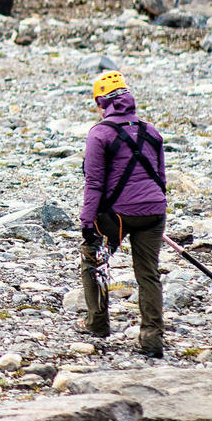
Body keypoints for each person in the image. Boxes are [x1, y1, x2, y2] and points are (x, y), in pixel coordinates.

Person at [80, 69, 169, 357]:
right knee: (148, 274)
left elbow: (94, 183)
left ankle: (97, 324)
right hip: (154, 211)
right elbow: (161, 177)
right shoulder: (151, 130)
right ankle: (152, 338)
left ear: (101, 103)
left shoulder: (100, 134)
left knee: (93, 259)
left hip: (117, 216)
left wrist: (87, 222)